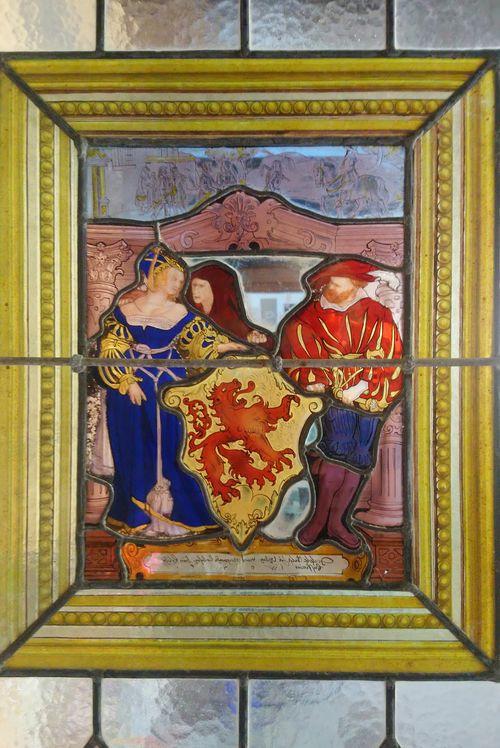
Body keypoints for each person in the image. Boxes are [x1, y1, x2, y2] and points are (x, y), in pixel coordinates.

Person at [96, 243, 247, 538]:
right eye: (174, 278)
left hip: (170, 389)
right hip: (129, 394)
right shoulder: (124, 312)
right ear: (154, 277)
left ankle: (179, 516)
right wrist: (127, 381)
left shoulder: (181, 313)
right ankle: (136, 517)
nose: (179, 284)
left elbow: (200, 344)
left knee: (175, 449)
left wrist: (230, 346)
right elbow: (110, 347)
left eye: (181, 279)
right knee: (133, 450)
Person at [280, 259, 403, 550]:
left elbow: (389, 352)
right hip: (333, 398)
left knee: (359, 457)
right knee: (336, 453)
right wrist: (317, 380)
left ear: (355, 284)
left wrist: (362, 386)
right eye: (329, 283)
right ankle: (318, 521)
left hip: (370, 395)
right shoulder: (310, 315)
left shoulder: (377, 313)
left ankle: (337, 523)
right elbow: (298, 344)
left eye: (337, 282)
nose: (330, 288)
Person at [186, 263, 274, 349]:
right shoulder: (190, 311)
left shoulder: (230, 317)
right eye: (194, 285)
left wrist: (252, 338)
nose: (195, 290)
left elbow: (245, 342)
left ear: (214, 288)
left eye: (201, 286)